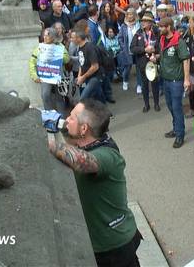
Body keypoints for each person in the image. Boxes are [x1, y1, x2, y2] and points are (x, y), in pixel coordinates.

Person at [47, 99, 141, 267]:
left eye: (73, 117)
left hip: (114, 247)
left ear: (84, 129)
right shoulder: (87, 142)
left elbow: (82, 161)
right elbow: (70, 140)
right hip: (101, 244)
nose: (67, 118)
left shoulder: (108, 155)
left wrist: (47, 143)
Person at [153, 17, 190, 149]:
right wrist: (155, 57)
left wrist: (186, 79)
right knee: (170, 105)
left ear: (168, 27)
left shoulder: (178, 42)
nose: (159, 29)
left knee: (176, 108)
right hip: (166, 79)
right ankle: (176, 128)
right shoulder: (162, 40)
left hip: (176, 81)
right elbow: (163, 56)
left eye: (162, 26)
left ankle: (180, 134)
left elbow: (186, 60)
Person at [29, 27, 71, 115]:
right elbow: (32, 62)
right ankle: (49, 117)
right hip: (45, 76)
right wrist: (34, 76)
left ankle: (61, 118)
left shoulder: (60, 46)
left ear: (52, 37)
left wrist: (56, 56)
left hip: (57, 75)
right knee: (45, 95)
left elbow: (67, 59)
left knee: (60, 96)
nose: (45, 37)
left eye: (47, 35)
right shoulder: (39, 48)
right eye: (44, 35)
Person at [130, 13, 160, 113]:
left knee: (155, 84)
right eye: (142, 21)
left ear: (151, 23)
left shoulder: (156, 32)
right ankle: (146, 104)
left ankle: (156, 103)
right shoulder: (138, 33)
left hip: (153, 62)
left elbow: (161, 47)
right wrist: (144, 49)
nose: (143, 23)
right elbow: (132, 48)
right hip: (142, 63)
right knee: (144, 85)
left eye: (146, 21)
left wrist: (156, 54)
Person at [74, 28, 105, 103]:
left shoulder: (90, 47)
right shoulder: (79, 48)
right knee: (98, 96)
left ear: (79, 38)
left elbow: (95, 66)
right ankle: (104, 110)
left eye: (73, 38)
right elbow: (81, 64)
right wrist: (79, 77)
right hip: (88, 78)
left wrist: (83, 77)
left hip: (95, 77)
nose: (72, 39)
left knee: (83, 98)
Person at [117, 8, 140, 91]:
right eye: (128, 14)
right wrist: (123, 47)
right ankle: (125, 81)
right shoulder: (123, 26)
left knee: (138, 68)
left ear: (134, 15)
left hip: (137, 49)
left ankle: (139, 85)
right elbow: (119, 38)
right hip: (127, 50)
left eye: (132, 14)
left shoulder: (138, 24)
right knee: (127, 67)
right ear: (126, 15)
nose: (130, 16)